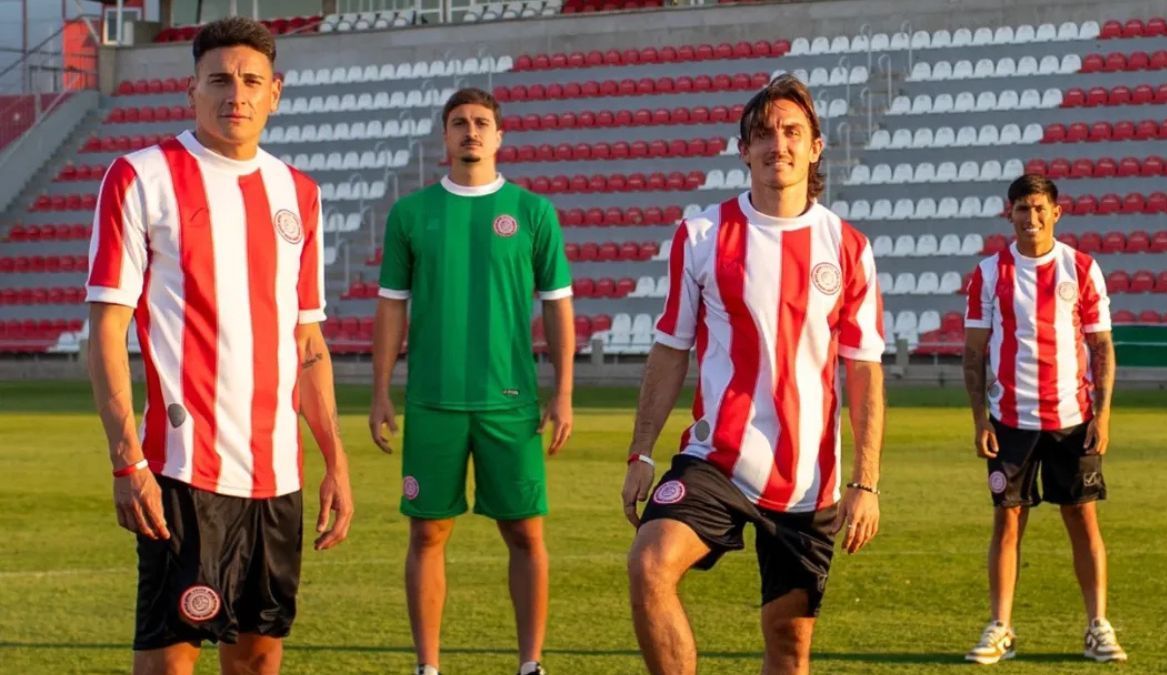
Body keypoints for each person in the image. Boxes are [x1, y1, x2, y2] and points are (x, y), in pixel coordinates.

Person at [85, 17, 353, 675]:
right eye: (220, 80)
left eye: (252, 81)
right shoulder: (141, 177)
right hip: (183, 469)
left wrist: (335, 460)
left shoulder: (299, 193)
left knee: (259, 658)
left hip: (278, 475)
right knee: (168, 663)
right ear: (192, 90)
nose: (237, 94)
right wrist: (126, 462)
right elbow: (107, 330)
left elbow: (308, 341)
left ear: (275, 93)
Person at [621, 74, 886, 675]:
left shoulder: (848, 247)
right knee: (649, 564)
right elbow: (670, 350)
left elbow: (864, 372)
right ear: (744, 150)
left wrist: (866, 481)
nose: (778, 144)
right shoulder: (701, 236)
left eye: (792, 131)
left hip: (808, 480)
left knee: (788, 648)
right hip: (717, 460)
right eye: (763, 134)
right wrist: (641, 451)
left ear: (815, 147)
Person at [369, 87, 574, 675]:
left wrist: (563, 392)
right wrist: (381, 391)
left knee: (525, 534)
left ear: (499, 136)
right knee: (427, 534)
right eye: (459, 122)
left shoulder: (532, 212)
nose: (471, 131)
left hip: (510, 403)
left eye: (481, 122)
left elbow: (558, 304)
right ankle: (428, 668)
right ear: (446, 136)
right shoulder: (412, 214)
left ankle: (530, 664)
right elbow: (391, 306)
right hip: (433, 401)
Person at [962, 174, 1125, 665]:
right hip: (1010, 420)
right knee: (1008, 521)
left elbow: (1101, 347)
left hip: (1072, 418)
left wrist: (1103, 416)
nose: (1030, 218)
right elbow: (973, 353)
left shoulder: (1082, 268)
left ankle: (1098, 626)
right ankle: (1001, 628)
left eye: (1038, 208)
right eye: (1021, 209)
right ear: (1009, 213)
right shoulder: (989, 273)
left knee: (1082, 517)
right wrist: (980, 420)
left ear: (1056, 212)